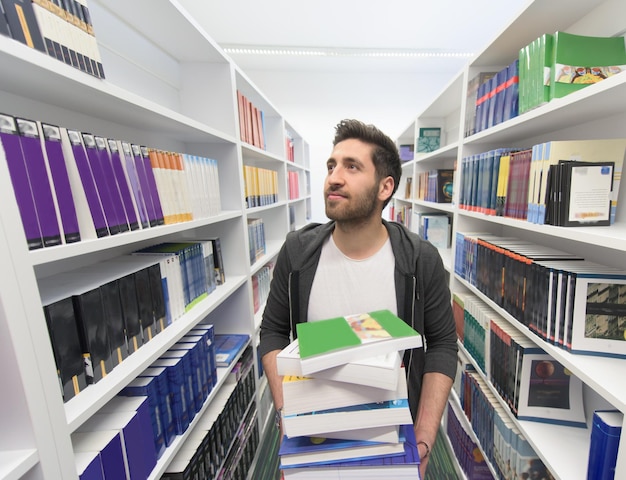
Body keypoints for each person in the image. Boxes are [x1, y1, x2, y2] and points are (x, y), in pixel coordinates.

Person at [259, 118, 458, 477]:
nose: (334, 177)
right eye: (332, 166)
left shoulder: (419, 260)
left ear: (385, 187)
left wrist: (425, 435)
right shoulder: (297, 253)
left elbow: (442, 344)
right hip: (312, 440)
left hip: (391, 439)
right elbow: (273, 331)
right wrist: (287, 410)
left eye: (352, 167)